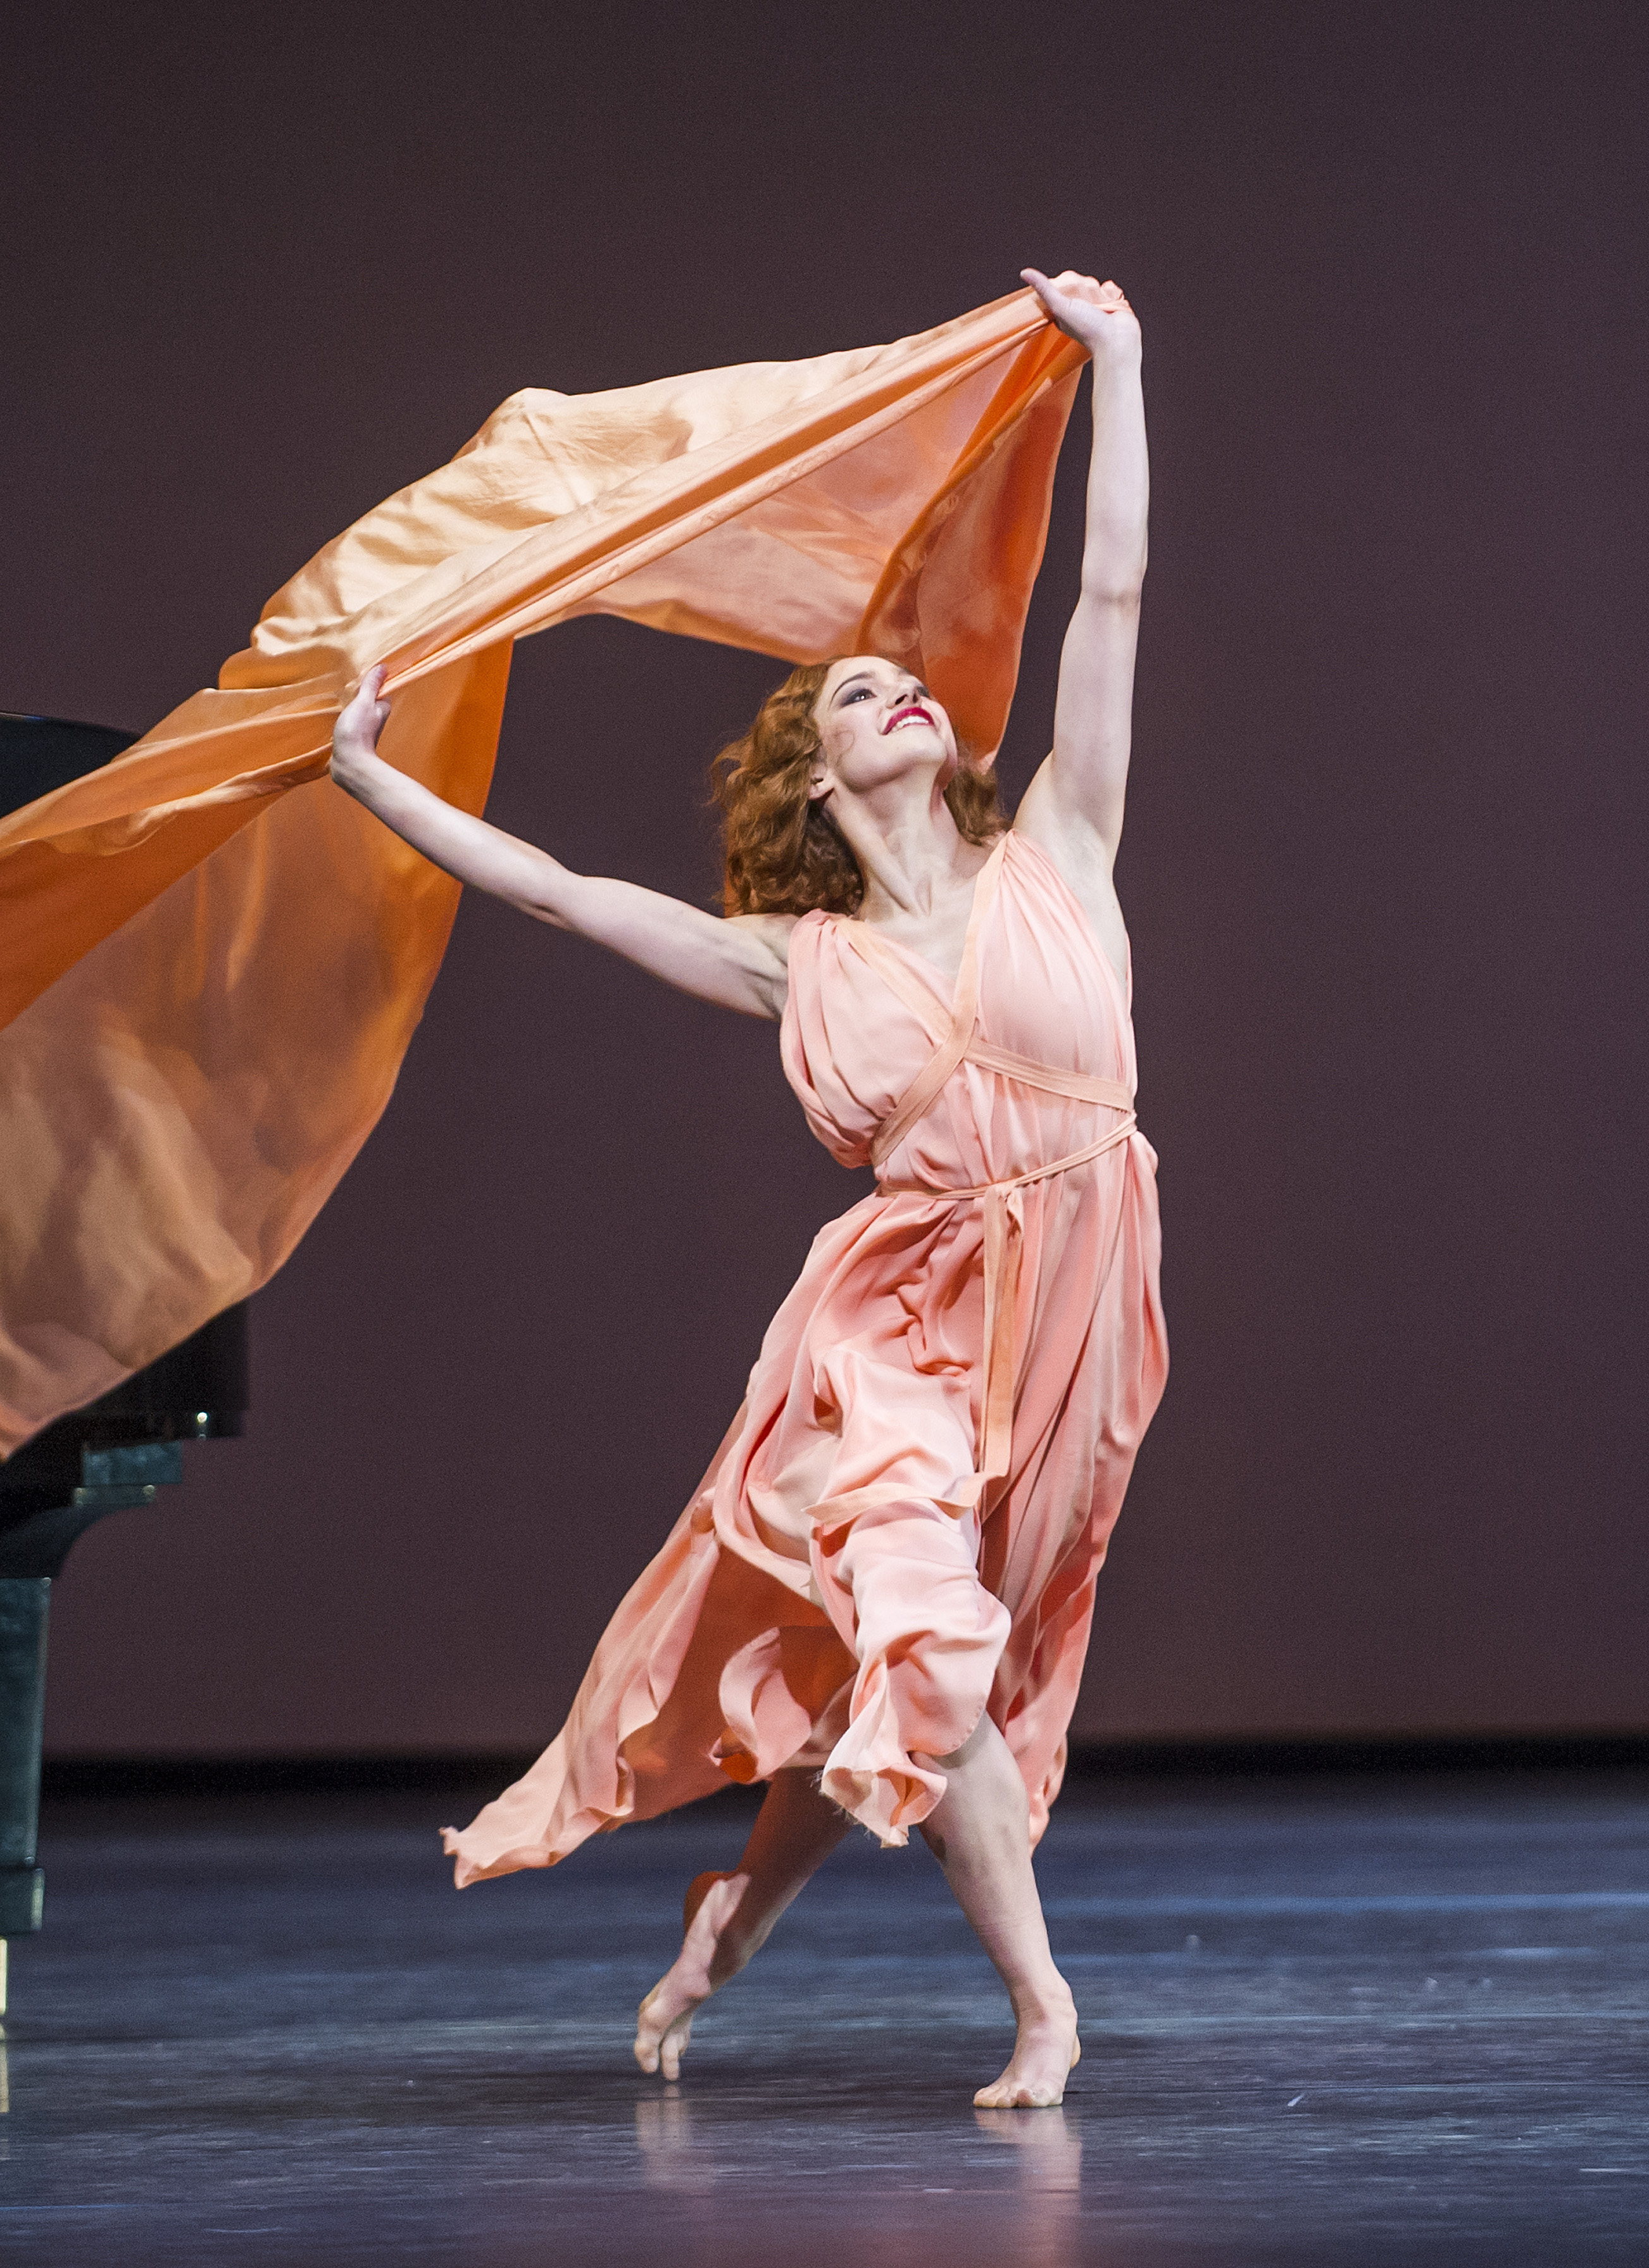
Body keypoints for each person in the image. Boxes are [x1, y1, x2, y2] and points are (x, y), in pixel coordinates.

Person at [327, 269, 1160, 2109]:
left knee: (909, 1674)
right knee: (924, 1633)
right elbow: (559, 893)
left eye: (904, 681)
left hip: (1076, 1311)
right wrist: (371, 778)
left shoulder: (1063, 853)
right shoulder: (794, 959)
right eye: (854, 692)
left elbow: (1106, 595)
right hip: (892, 1329)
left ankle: (726, 1932)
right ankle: (1041, 2004)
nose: (894, 692)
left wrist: (1115, 365)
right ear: (817, 774)